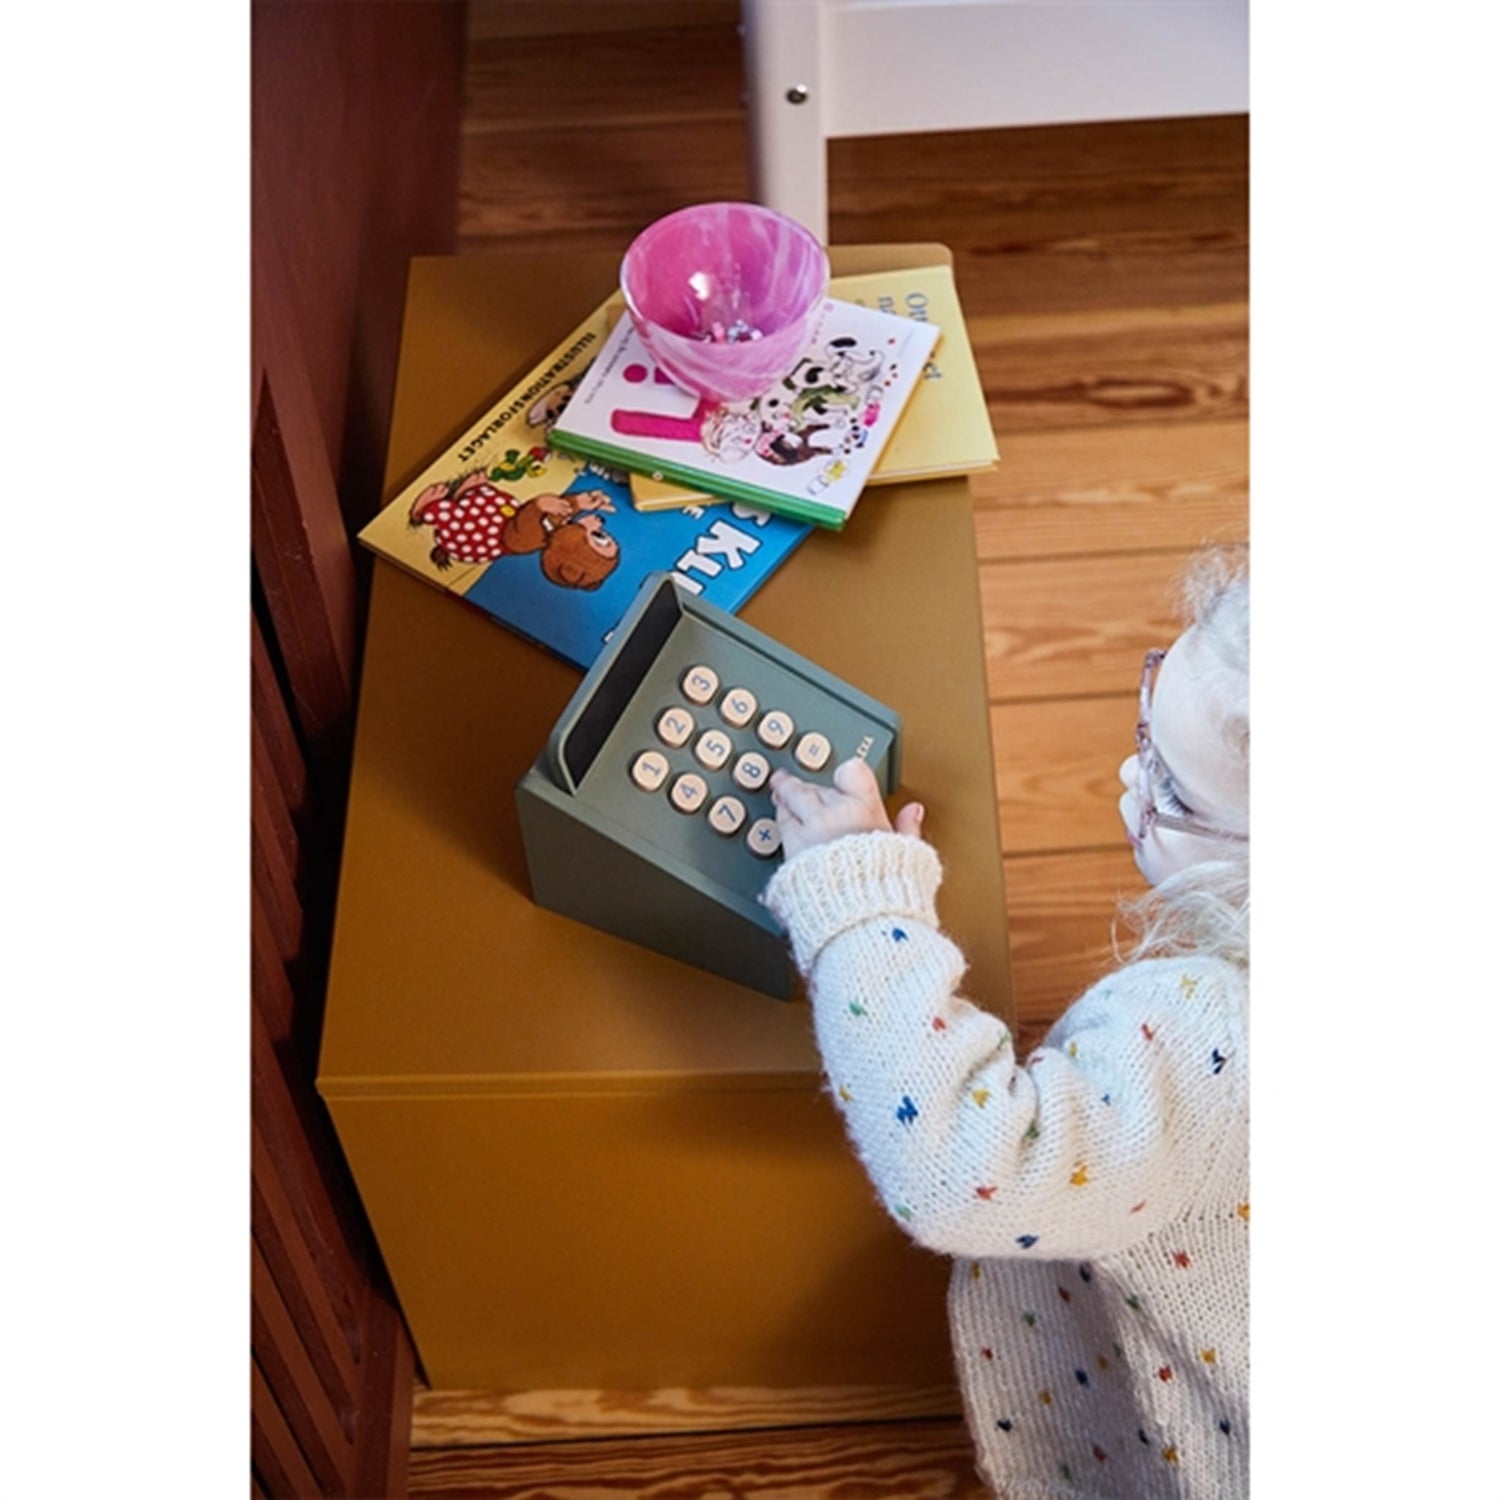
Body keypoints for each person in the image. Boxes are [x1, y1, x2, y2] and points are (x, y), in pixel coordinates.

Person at [763, 548, 1249, 1499]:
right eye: (1145, 723)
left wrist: (860, 906)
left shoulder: (1206, 1038)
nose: (1129, 774)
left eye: (1173, 791)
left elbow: (966, 1169)